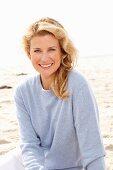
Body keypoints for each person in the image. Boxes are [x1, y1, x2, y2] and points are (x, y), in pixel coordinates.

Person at [0, 17, 105, 170]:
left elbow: (92, 148)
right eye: (37, 50)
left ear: (63, 51)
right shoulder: (23, 91)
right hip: (31, 163)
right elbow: (29, 145)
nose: (44, 58)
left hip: (70, 166)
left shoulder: (78, 85)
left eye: (51, 49)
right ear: (29, 53)